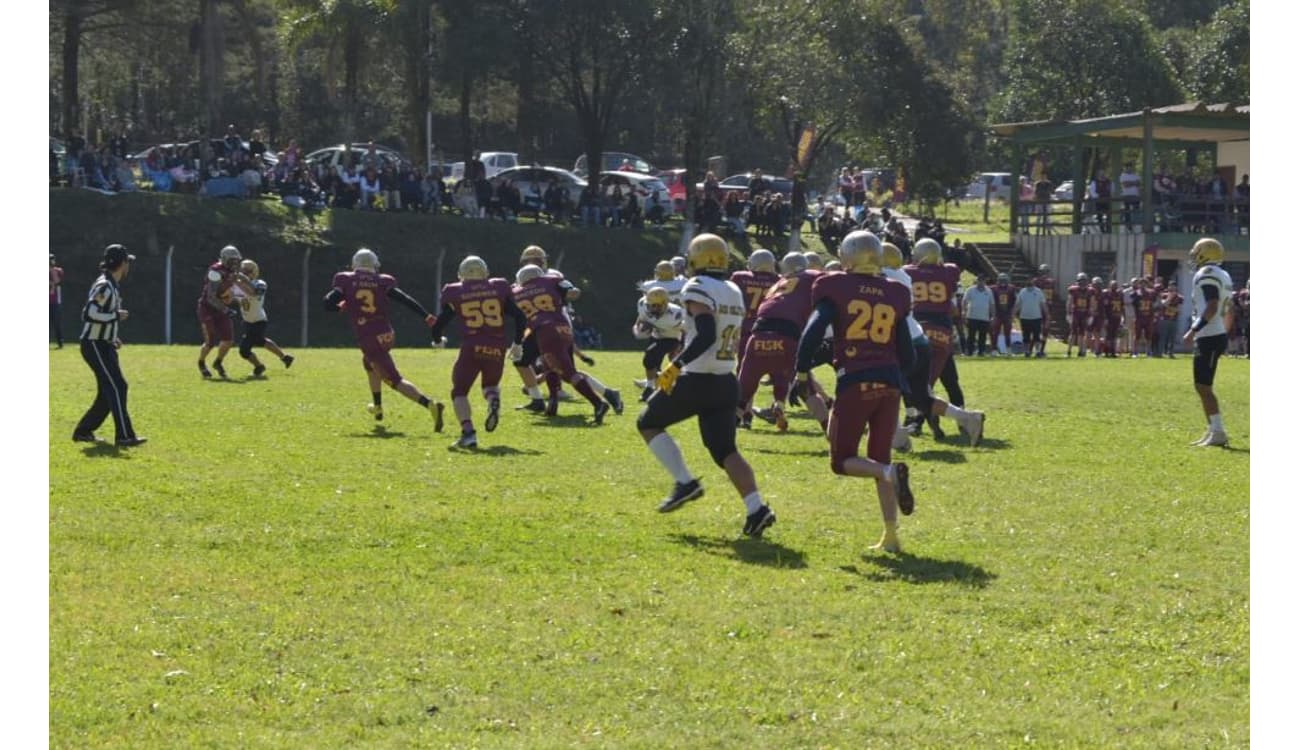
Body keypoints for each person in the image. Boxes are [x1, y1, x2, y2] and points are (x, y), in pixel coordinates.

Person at [637, 233, 776, 537]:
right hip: (727, 380)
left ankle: (685, 482)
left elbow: (705, 334)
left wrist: (675, 365)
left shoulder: (697, 287)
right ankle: (757, 509)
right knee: (725, 450)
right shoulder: (732, 288)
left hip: (698, 378)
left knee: (648, 422)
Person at [795, 231, 914, 552]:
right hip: (890, 383)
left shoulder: (834, 285)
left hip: (855, 379)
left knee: (842, 460)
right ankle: (891, 536)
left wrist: (802, 370)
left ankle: (890, 473)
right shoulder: (895, 291)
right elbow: (909, 353)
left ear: (847, 256)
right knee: (880, 458)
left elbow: (813, 331)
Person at [323, 248, 445, 430]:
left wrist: (340, 307)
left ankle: (430, 405)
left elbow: (327, 302)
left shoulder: (346, 279)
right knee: (368, 364)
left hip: (368, 336)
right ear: (374, 265)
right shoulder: (382, 281)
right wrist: (426, 316)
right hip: (387, 334)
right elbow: (404, 299)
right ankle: (378, 407)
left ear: (355, 263)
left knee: (394, 380)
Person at [429, 255, 528, 448]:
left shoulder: (455, 291)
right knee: (490, 385)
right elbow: (519, 316)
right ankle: (493, 400)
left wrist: (437, 339)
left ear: (461, 274)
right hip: (497, 347)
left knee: (459, 391)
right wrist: (517, 343)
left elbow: (439, 323)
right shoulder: (497, 287)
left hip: (471, 346)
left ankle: (468, 434)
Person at [513, 264, 611, 423]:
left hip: (545, 331)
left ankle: (598, 403)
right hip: (564, 328)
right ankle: (552, 403)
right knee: (548, 364)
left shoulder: (516, 291)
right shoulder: (551, 280)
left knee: (568, 373)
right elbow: (572, 291)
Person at [73, 244, 146, 447]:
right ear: (122, 263)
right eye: (127, 262)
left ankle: (83, 431)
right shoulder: (105, 285)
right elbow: (89, 313)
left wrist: (112, 336)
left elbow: (99, 317)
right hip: (94, 344)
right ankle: (124, 436)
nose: (128, 266)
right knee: (116, 387)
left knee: (112, 388)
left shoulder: (111, 284)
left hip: (104, 343)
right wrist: (115, 316)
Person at [736, 251, 818, 432]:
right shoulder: (781, 281)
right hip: (785, 332)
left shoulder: (741, 278)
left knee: (747, 378)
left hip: (752, 333)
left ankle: (744, 416)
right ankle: (780, 403)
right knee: (782, 374)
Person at [1183, 239, 1234, 447]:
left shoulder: (1207, 274)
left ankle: (1218, 431)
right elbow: (1228, 310)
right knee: (1202, 385)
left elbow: (1212, 305)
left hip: (1209, 334)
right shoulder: (1223, 274)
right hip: (1215, 333)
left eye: (1197, 252)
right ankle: (1213, 430)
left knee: (1203, 386)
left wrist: (1193, 330)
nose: (1194, 256)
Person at [196, 245, 253, 379]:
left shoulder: (232, 271)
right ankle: (201, 362)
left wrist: (252, 284)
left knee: (228, 340)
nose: (235, 263)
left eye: (236, 260)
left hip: (222, 308)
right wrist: (226, 309)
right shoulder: (215, 271)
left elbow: (239, 277)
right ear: (224, 259)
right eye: (232, 260)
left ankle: (218, 362)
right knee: (210, 343)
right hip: (208, 308)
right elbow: (211, 297)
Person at [231, 259, 294, 377]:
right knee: (261, 341)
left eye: (246, 271)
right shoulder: (237, 285)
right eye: (243, 271)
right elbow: (230, 297)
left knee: (244, 350)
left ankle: (259, 367)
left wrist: (239, 281)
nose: (244, 273)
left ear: (253, 272)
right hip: (247, 321)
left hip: (259, 320)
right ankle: (285, 357)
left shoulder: (260, 283)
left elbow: (253, 293)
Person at [728, 249, 780, 382]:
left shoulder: (740, 277)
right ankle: (779, 400)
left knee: (744, 369)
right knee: (778, 371)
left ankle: (744, 402)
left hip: (745, 329)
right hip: (771, 330)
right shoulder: (780, 281)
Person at [632, 286, 685, 402]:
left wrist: (681, 347)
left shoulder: (676, 314)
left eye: (658, 305)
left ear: (666, 304)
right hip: (655, 336)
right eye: (652, 305)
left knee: (650, 355)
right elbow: (640, 319)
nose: (654, 308)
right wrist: (637, 330)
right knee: (650, 361)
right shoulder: (643, 305)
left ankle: (650, 388)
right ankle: (656, 384)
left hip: (671, 338)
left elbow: (687, 330)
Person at [1013, 276, 1048, 358]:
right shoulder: (1022, 292)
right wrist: (1013, 314)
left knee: (1037, 336)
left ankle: (1038, 351)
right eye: (1027, 280)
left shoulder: (1038, 291)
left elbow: (1043, 304)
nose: (1029, 281)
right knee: (1026, 337)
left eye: (1030, 280)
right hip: (1024, 318)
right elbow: (1018, 305)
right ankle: (1027, 352)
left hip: (1036, 317)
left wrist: (1047, 315)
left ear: (1033, 281)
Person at [963, 276, 994, 356]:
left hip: (984, 317)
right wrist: (964, 312)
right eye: (979, 281)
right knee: (971, 336)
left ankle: (981, 352)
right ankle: (969, 352)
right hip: (972, 316)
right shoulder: (970, 290)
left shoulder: (989, 291)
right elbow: (965, 301)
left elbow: (991, 304)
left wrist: (993, 316)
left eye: (982, 281)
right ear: (977, 281)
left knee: (982, 336)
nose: (981, 283)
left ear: (984, 282)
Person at [1032, 264, 1056, 357]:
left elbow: (1052, 296)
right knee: (1035, 330)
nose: (1044, 274)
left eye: (1046, 272)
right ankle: (1033, 350)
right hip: (1037, 308)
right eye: (1043, 272)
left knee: (1045, 330)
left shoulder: (1051, 282)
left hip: (1048, 308)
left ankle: (1041, 350)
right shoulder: (1035, 281)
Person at [990, 272, 1016, 356]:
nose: (1003, 282)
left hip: (1007, 314)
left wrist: (1012, 313)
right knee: (995, 332)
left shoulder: (1011, 288)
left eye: (1004, 280)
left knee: (1007, 333)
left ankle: (1008, 349)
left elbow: (1014, 301)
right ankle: (994, 350)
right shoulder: (993, 288)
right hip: (997, 313)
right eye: (1001, 280)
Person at [1155, 281, 1183, 358]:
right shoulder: (1164, 295)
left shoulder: (1179, 297)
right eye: (1171, 286)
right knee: (1162, 337)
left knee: (1172, 337)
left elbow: (1179, 309)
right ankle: (1160, 353)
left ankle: (1171, 353)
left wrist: (1174, 310)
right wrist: (1170, 297)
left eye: (1174, 286)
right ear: (1168, 287)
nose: (1173, 287)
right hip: (1164, 319)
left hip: (1174, 319)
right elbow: (1163, 304)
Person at [1066, 273, 1091, 357]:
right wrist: (1068, 313)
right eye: (1081, 281)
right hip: (1075, 314)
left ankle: (1080, 351)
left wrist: (1091, 315)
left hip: (1084, 314)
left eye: (1084, 281)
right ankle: (1069, 351)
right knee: (1073, 333)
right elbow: (1069, 301)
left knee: (1082, 334)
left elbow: (1092, 303)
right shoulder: (1073, 290)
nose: (1083, 283)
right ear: (1078, 281)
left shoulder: (1090, 291)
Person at [50, 254, 65, 348]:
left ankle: (60, 342)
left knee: (56, 323)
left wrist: (51, 269)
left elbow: (57, 281)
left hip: (55, 301)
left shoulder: (58, 270)